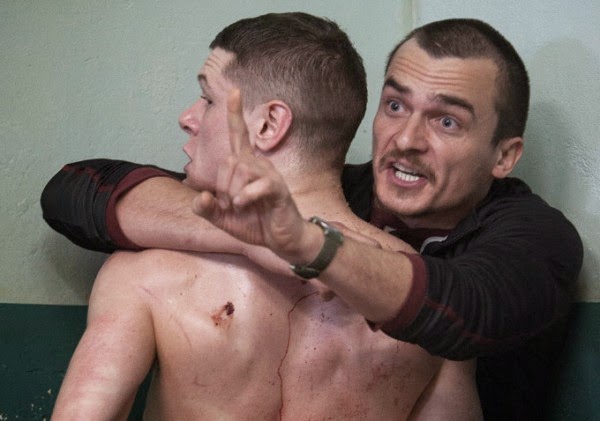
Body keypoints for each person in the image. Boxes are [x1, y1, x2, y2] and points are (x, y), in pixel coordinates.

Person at [42, 18, 583, 420]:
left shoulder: (530, 243)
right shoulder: (427, 336)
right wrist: (249, 238)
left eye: (446, 121)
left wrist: (309, 246)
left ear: (504, 156)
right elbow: (83, 188)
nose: (406, 140)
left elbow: (468, 302)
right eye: (396, 106)